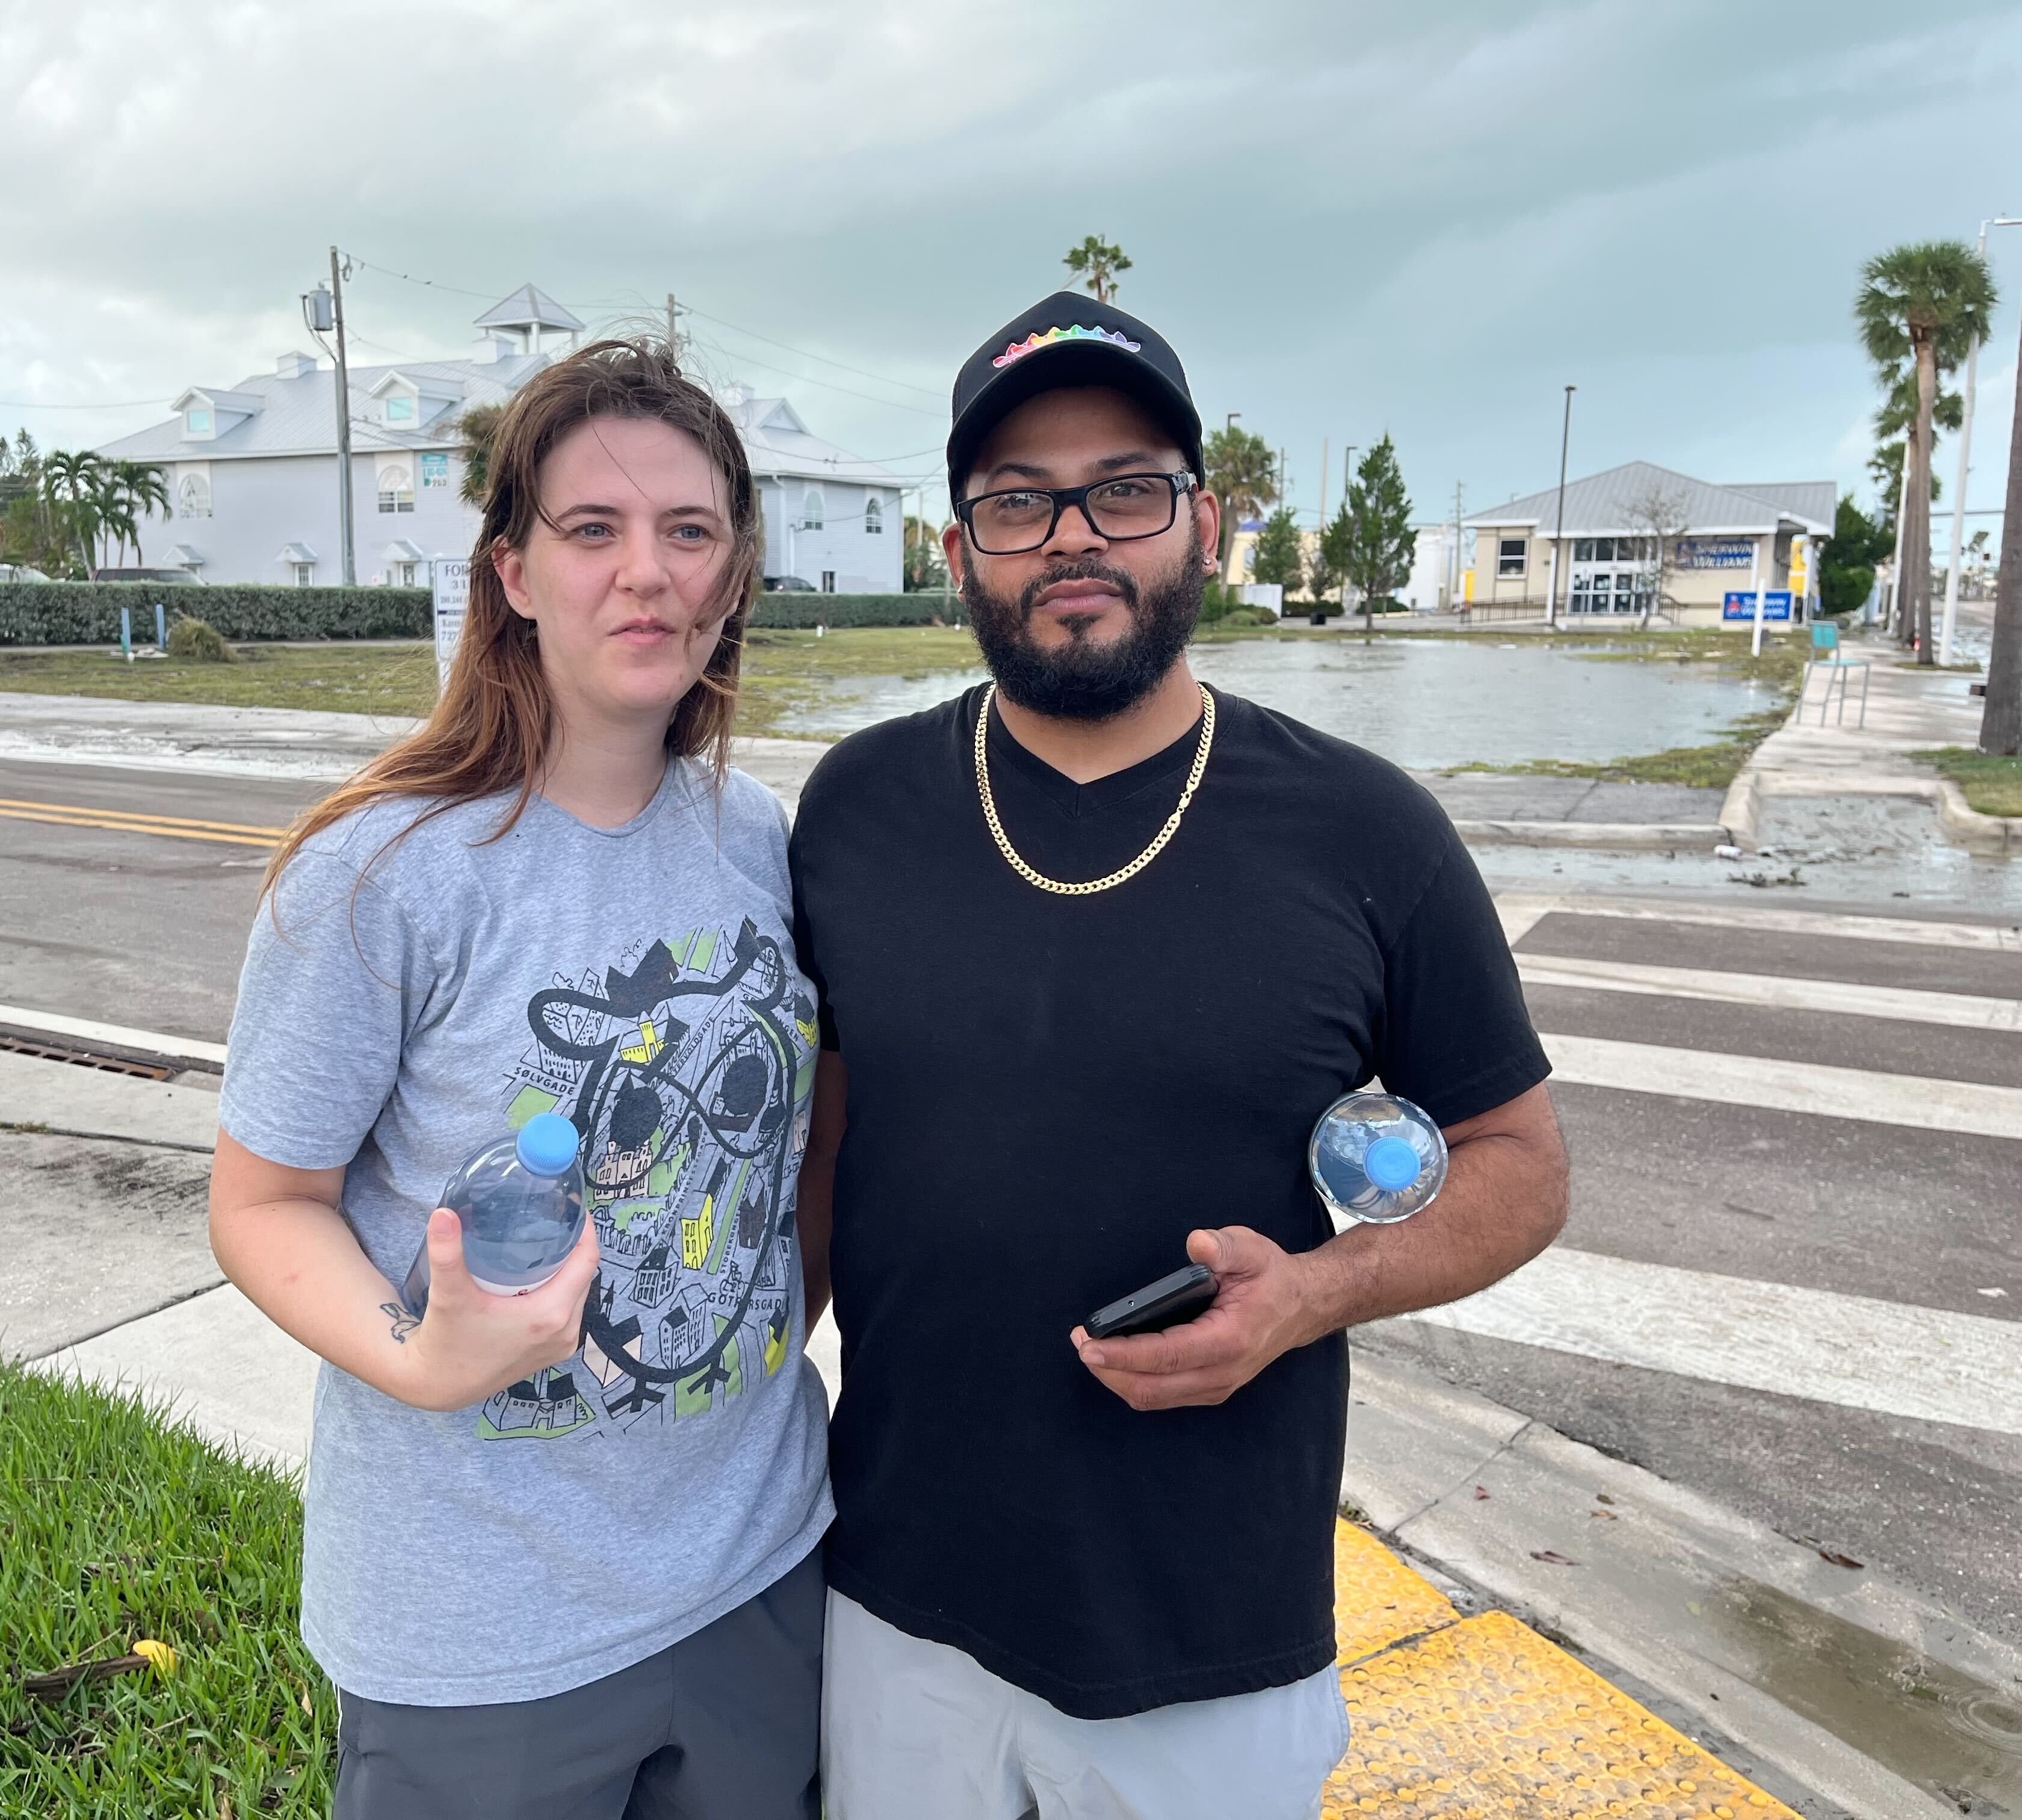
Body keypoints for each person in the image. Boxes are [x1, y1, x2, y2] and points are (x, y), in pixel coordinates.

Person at [789, 294, 1569, 1820]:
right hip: (893, 1600)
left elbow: (1523, 1170)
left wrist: (1321, 1293)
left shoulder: (1368, 833)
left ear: (1203, 525)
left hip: (1213, 1639)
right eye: (1018, 500)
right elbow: (829, 1146)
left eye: (1125, 489)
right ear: (959, 550)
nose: (1072, 534)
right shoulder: (856, 808)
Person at [210, 341, 831, 1819]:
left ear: (734, 574)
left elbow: (804, 1157)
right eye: (593, 531)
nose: (648, 574)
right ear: (513, 572)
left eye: (689, 533)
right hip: (477, 1632)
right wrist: (421, 1356)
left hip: (760, 1573)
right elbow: (262, 1203)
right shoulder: (382, 876)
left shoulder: (769, 843)